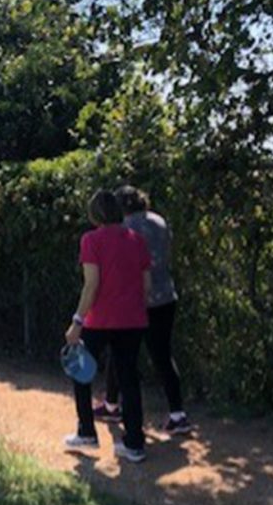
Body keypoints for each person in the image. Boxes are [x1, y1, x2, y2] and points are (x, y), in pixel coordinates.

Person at [64, 190, 152, 464]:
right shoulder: (137, 240)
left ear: (95, 214)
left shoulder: (91, 240)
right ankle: (134, 443)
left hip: (100, 319)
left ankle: (87, 431)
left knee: (81, 372)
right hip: (133, 319)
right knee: (128, 379)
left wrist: (77, 320)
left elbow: (92, 284)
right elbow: (146, 285)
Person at [95, 185, 191, 435]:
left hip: (135, 300)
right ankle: (177, 413)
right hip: (166, 295)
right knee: (162, 356)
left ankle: (115, 407)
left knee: (122, 355)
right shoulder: (159, 221)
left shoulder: (126, 229)